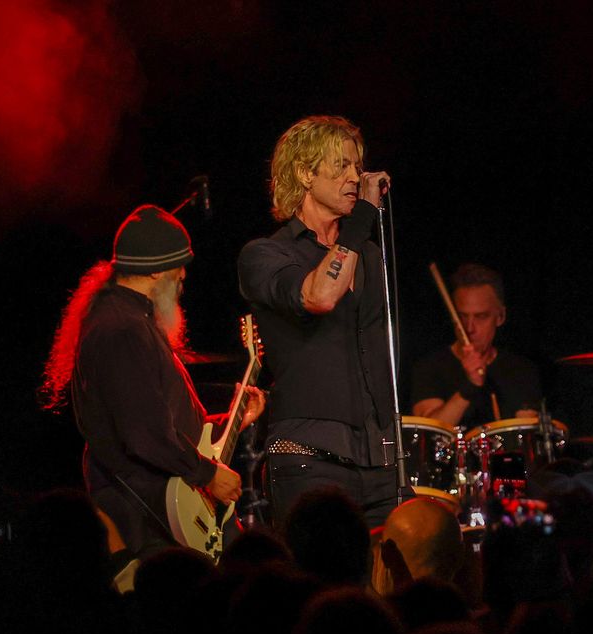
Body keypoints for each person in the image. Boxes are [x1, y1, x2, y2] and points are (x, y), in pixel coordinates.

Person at [41, 205, 264, 558]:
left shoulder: (129, 320)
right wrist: (207, 475)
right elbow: (143, 434)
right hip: (152, 518)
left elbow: (161, 420)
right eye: (179, 269)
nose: (183, 279)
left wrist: (230, 420)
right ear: (158, 271)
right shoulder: (123, 330)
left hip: (167, 507)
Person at [238, 115, 398, 528]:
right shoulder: (265, 255)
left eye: (356, 166)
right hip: (308, 459)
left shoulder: (369, 255)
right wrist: (362, 218)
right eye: (341, 165)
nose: (354, 177)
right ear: (305, 173)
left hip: (378, 460)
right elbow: (319, 296)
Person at [411, 263, 541, 428]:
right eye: (463, 317)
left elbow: (527, 440)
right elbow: (431, 433)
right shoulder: (429, 367)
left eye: (481, 316)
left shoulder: (522, 370)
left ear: (500, 316)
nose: (469, 328)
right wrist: (470, 386)